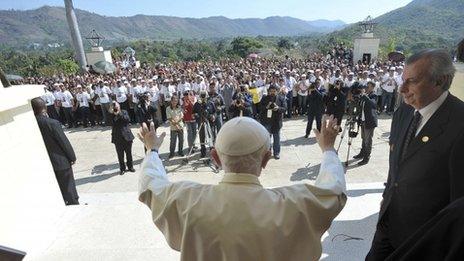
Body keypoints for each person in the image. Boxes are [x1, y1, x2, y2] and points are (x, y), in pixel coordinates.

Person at [137, 115, 346, 260]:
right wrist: (328, 149)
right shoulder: (294, 204)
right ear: (266, 159)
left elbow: (150, 185)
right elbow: (334, 191)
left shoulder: (187, 200)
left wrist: (152, 150)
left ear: (215, 158)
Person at [366, 49, 464, 260]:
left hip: (424, 238)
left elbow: (459, 201)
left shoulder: (460, 123)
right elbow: (396, 168)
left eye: (412, 81)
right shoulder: (402, 113)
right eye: (402, 80)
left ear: (440, 80)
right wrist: (387, 197)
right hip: (388, 224)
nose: (402, 89)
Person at [31, 97, 79, 205]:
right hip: (60, 161)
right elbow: (63, 142)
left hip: (44, 163)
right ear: (45, 108)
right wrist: (72, 157)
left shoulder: (31, 124)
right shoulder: (52, 123)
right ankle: (73, 204)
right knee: (69, 188)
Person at [353, 81, 378, 166]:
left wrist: (365, 96)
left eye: (368, 86)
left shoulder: (373, 95)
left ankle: (366, 157)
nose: (366, 87)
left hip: (370, 121)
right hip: (363, 120)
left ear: (372, 87)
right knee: (363, 138)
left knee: (368, 140)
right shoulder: (364, 96)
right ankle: (362, 153)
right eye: (366, 86)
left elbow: (373, 105)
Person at [259, 84, 287, 159]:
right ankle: (268, 153)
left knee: (276, 138)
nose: (272, 93)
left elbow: (284, 109)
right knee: (267, 138)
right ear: (268, 91)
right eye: (271, 91)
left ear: (277, 91)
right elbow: (260, 108)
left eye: (274, 91)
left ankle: (276, 153)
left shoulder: (281, 98)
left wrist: (278, 108)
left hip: (276, 122)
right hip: (266, 121)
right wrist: (266, 107)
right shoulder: (264, 98)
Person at [110, 101, 135, 175]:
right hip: (117, 137)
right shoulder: (111, 114)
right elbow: (110, 122)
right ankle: (122, 168)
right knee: (120, 155)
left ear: (119, 106)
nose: (115, 107)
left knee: (129, 153)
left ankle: (130, 167)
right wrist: (112, 113)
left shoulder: (124, 112)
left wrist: (118, 113)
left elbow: (127, 119)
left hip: (127, 136)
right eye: (113, 106)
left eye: (116, 105)